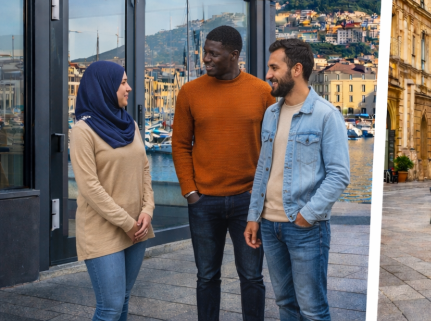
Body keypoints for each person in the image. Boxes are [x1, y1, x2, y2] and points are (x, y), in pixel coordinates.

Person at [172, 26, 276, 321]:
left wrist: (263, 194)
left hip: (249, 203)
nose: (205, 59)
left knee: (252, 277)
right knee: (206, 276)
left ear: (234, 56)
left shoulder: (262, 92)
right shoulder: (189, 92)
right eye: (204, 52)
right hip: (204, 203)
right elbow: (180, 145)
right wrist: (190, 193)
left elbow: (276, 147)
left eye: (212, 54)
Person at [244, 39, 350, 321]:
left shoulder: (326, 115)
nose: (268, 74)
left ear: (296, 69)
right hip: (269, 226)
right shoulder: (270, 114)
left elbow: (339, 174)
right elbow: (263, 168)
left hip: (305, 228)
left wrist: (308, 215)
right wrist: (254, 216)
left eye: (274, 67)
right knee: (285, 304)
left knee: (313, 310)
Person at [70, 61, 154, 321]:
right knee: (110, 306)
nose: (129, 88)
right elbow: (89, 187)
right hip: (103, 229)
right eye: (122, 82)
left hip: (137, 226)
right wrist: (126, 222)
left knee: (124, 300)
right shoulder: (83, 131)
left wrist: (148, 210)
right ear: (104, 86)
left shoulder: (130, 125)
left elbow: (144, 170)